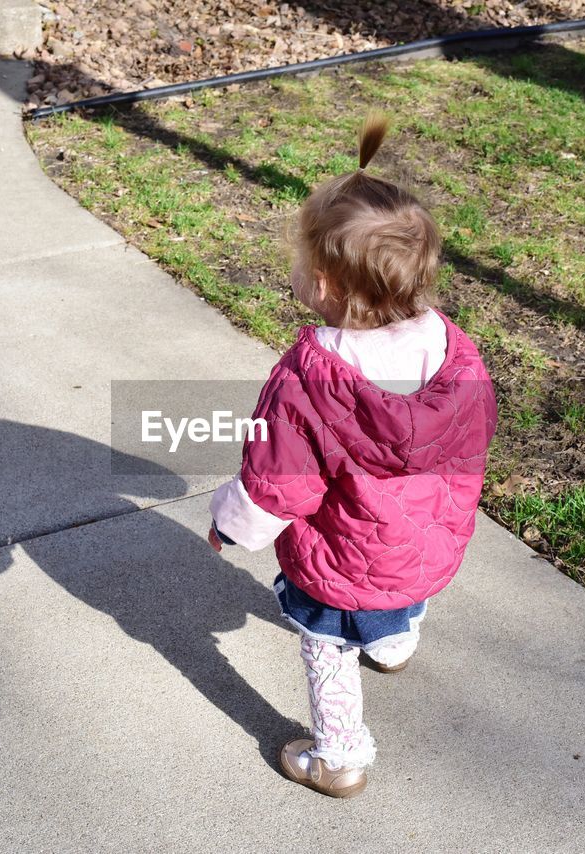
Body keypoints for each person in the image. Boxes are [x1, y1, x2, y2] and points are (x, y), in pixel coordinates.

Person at [207, 112, 497, 798]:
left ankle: (338, 756)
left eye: (302, 265)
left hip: (344, 557)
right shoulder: (452, 350)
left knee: (328, 644)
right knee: (397, 594)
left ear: (328, 286)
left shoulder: (312, 377)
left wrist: (230, 523)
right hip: (425, 543)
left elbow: (278, 483)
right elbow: (476, 433)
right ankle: (394, 643)